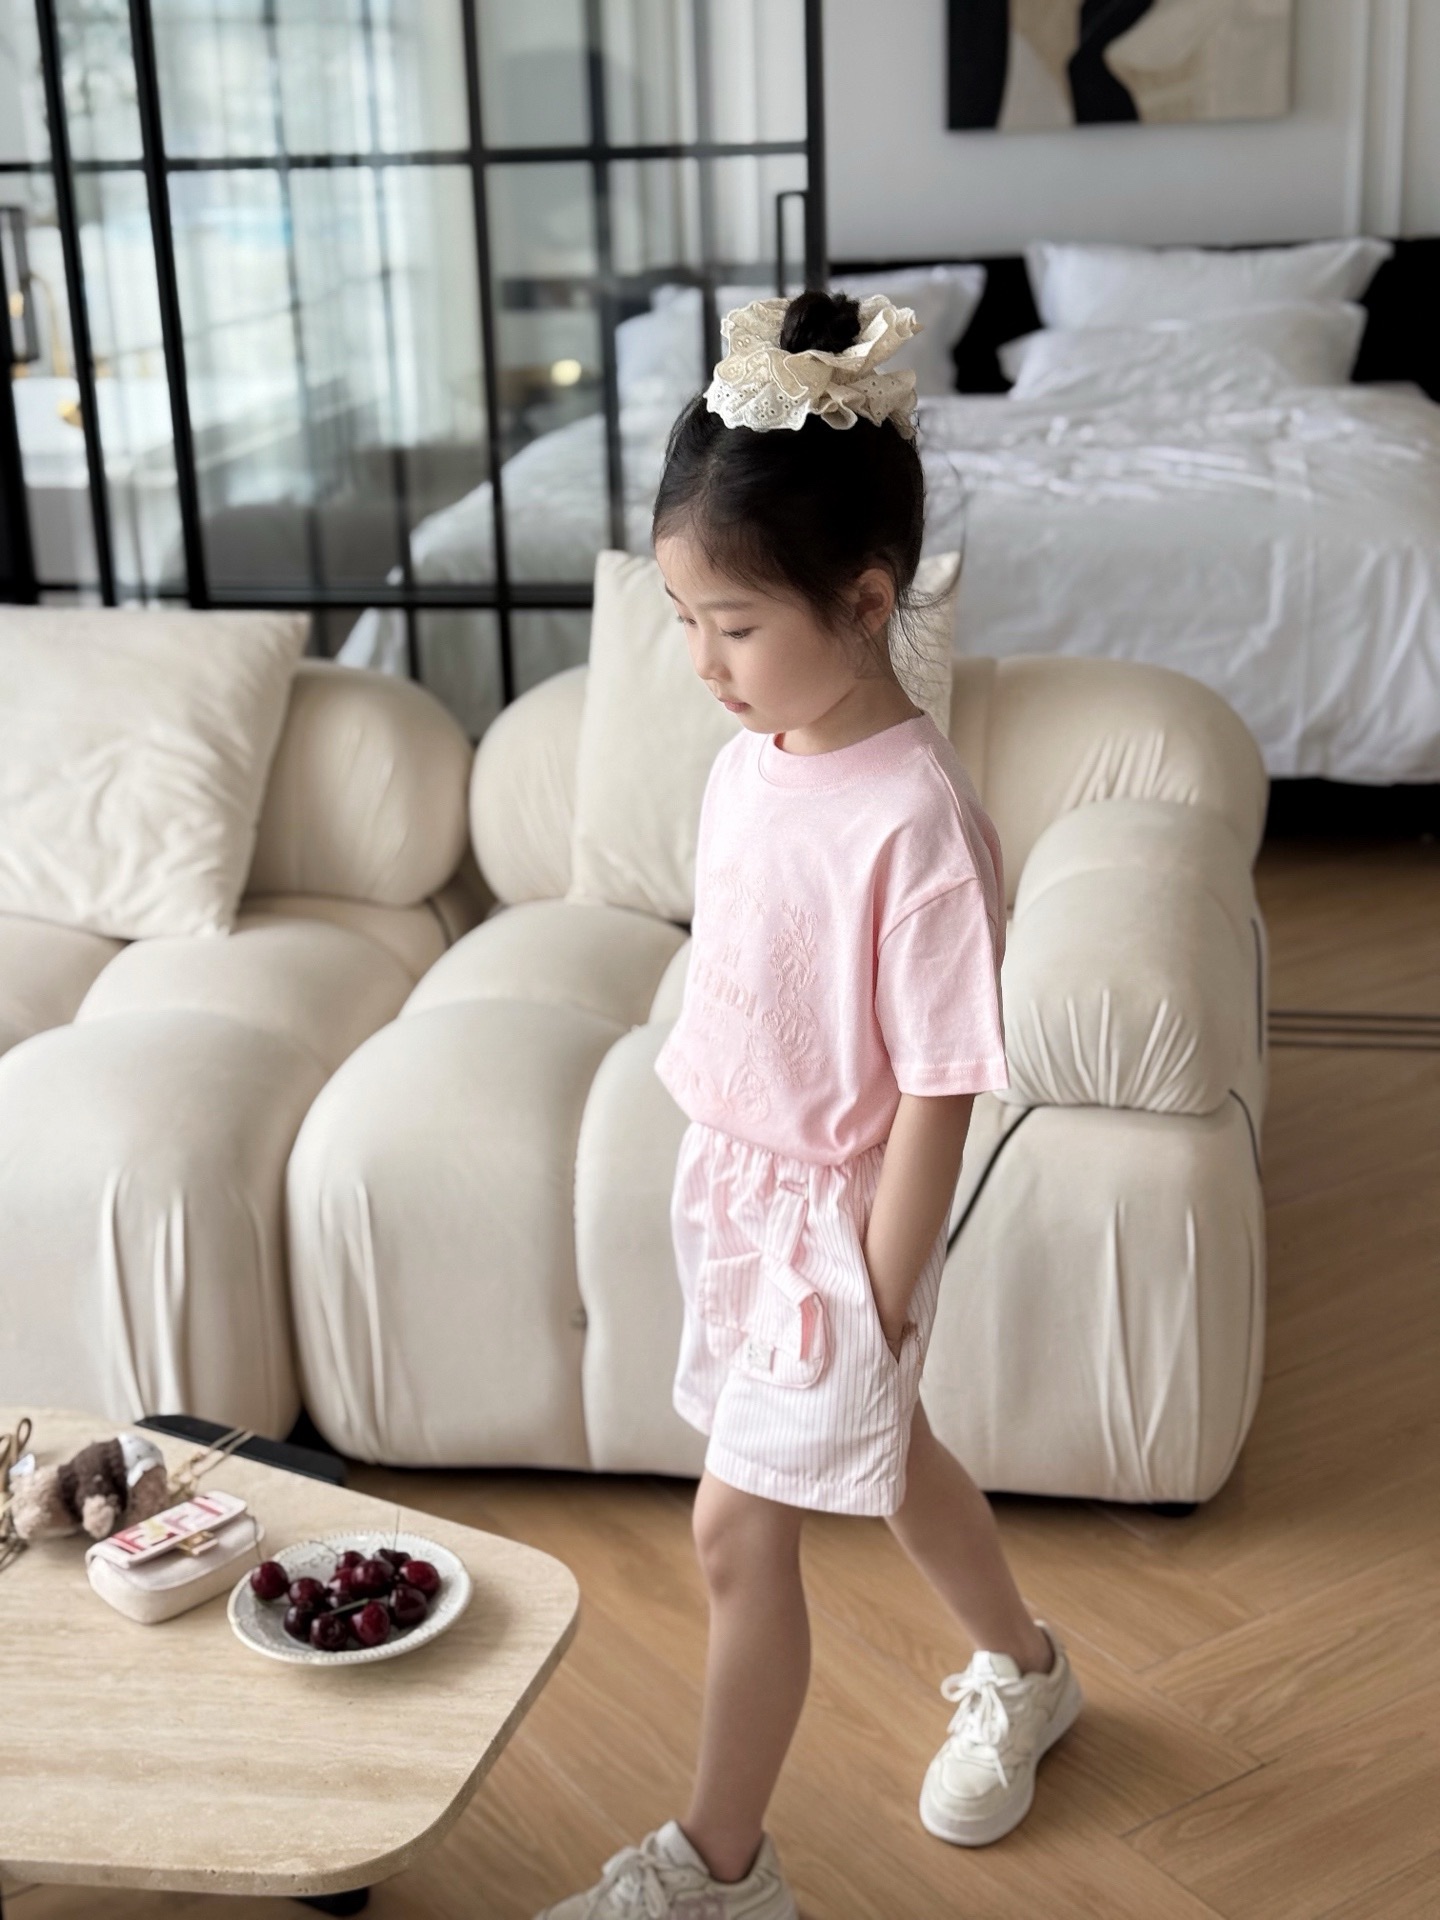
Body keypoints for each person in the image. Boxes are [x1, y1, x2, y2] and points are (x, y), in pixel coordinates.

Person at [534, 290, 1084, 1920]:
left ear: (867, 600)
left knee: (732, 1532)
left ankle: (721, 1869)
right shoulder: (748, 758)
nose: (701, 663)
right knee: (897, 1461)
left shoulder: (918, 824)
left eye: (735, 625)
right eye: (681, 619)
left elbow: (938, 1090)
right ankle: (1028, 1667)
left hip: (843, 1238)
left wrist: (881, 1298)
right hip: (744, 1193)